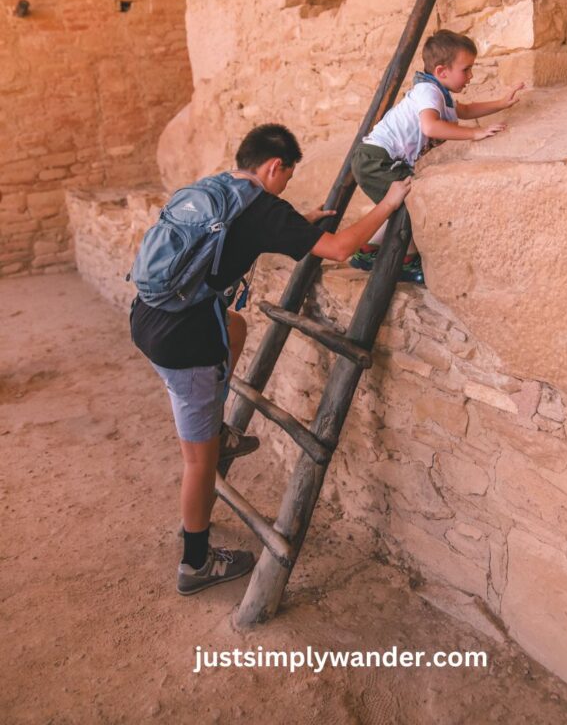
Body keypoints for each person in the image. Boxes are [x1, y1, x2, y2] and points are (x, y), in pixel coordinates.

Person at [130, 123, 410, 595]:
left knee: (234, 327)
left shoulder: (218, 188)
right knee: (199, 461)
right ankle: (195, 564)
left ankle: (215, 434)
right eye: (287, 178)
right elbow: (341, 250)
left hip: (148, 316)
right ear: (274, 167)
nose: (285, 187)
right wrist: (388, 203)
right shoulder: (263, 208)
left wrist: (299, 222)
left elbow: (240, 234)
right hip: (185, 338)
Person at [350, 30, 525, 282]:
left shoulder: (436, 93)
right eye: (466, 69)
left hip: (375, 158)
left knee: (406, 203)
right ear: (442, 71)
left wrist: (500, 103)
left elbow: (462, 110)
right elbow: (430, 127)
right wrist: (475, 133)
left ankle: (367, 250)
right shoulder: (428, 92)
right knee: (413, 202)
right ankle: (407, 261)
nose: (471, 76)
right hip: (376, 160)